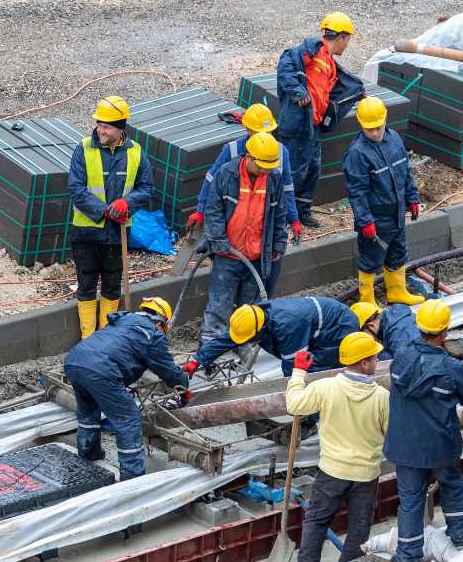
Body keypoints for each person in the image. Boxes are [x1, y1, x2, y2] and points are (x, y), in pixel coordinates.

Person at [384, 300, 463, 562]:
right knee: (452, 484)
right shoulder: (450, 367)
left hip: (404, 445)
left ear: (419, 328)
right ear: (444, 331)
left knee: (410, 499)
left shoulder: (401, 357)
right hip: (439, 444)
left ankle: (407, 556)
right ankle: (460, 532)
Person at [286, 332, 389, 562]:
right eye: (374, 357)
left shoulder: (326, 387)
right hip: (365, 476)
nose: (377, 361)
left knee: (316, 523)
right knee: (359, 530)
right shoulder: (382, 398)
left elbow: (294, 405)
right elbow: (391, 435)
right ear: (364, 363)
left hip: (331, 472)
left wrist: (299, 372)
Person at [63, 297, 188, 480]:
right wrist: (184, 385)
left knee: (88, 411)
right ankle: (132, 477)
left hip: (75, 361)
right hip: (101, 371)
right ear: (160, 323)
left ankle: (89, 453)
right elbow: (168, 371)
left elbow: (116, 350)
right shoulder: (153, 334)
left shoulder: (122, 320)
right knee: (128, 419)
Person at [67, 96, 156, 339]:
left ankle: (106, 337)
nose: (100, 130)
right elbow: (76, 189)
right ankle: (88, 338)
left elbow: (146, 187)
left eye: (106, 126)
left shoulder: (135, 152)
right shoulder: (84, 148)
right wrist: (106, 210)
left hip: (117, 234)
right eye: (99, 124)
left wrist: (128, 202)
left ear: (120, 128)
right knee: (86, 285)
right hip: (86, 232)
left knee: (112, 285)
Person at [275, 12, 366, 228]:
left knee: (312, 169)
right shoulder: (313, 49)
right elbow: (286, 60)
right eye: (348, 40)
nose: (347, 45)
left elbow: (334, 93)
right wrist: (297, 90)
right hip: (298, 125)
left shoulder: (329, 63)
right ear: (341, 37)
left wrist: (356, 94)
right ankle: (284, 217)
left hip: (313, 127)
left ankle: (302, 211)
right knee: (293, 172)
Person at [200, 132, 288, 346]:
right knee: (220, 304)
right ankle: (211, 343)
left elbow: (279, 213)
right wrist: (218, 239)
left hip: (257, 256)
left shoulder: (273, 179)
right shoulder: (227, 174)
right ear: (248, 157)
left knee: (250, 307)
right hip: (227, 254)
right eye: (261, 166)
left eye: (268, 167)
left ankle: (245, 343)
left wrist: (279, 242)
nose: (265, 171)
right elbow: (213, 210)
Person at [344, 96, 423, 306]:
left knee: (398, 253)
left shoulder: (394, 139)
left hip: (396, 213)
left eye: (378, 128)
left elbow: (405, 171)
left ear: (385, 120)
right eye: (370, 129)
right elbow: (357, 192)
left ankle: (397, 292)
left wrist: (412, 197)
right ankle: (367, 302)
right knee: (371, 259)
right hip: (376, 218)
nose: (375, 133)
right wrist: (365, 220)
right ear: (361, 125)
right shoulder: (357, 153)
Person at [188, 103, 300, 243]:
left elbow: (287, 188)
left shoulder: (281, 152)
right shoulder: (232, 150)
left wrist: (294, 219)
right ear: (248, 129)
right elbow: (211, 180)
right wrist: (201, 210)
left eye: (269, 132)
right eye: (260, 133)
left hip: (262, 218)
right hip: (234, 216)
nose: (265, 137)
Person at [187, 296, 356, 377]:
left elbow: (293, 367)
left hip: (338, 328)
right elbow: (227, 340)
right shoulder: (255, 318)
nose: (246, 343)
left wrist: (289, 399)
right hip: (316, 325)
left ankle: (310, 420)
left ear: (258, 332)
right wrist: (197, 360)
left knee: (312, 370)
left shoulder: (288, 327)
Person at [350, 301, 421, 360]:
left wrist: (376, 354)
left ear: (371, 326)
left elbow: (405, 361)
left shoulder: (400, 333)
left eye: (362, 335)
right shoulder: (392, 322)